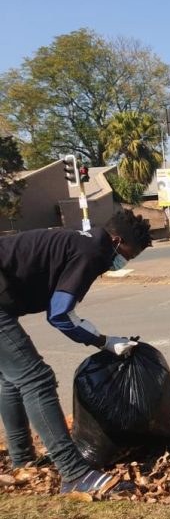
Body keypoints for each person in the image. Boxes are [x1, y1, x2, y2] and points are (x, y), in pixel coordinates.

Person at [0, 209, 152, 494]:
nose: (124, 262)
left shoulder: (84, 238)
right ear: (117, 240)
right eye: (128, 255)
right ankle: (74, 473)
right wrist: (103, 341)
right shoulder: (92, 251)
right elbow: (60, 314)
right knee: (36, 378)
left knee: (11, 378)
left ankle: (22, 461)